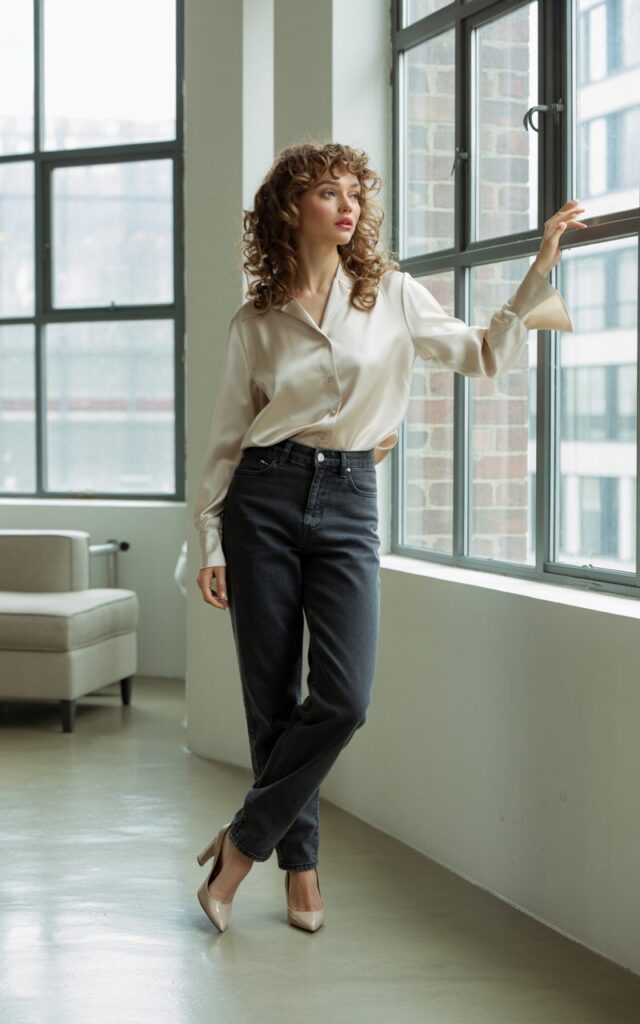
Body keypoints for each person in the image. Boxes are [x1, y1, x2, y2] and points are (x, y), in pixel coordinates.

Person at [192, 141, 587, 933]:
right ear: (289, 210)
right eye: (328, 193)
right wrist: (209, 542)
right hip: (261, 500)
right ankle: (300, 874)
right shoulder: (256, 322)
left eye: (354, 194)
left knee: (343, 697)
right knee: (270, 701)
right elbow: (228, 440)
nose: (350, 206)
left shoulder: (394, 295)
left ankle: (238, 848)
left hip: (348, 501)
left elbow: (480, 355)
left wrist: (539, 271)